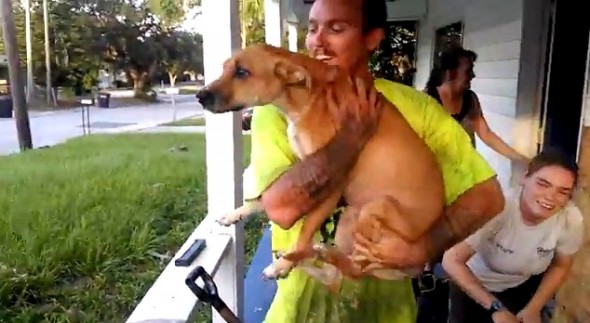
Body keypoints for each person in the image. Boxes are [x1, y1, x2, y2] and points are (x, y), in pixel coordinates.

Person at [245, 0, 506, 321]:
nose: (318, 41)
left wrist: (424, 247)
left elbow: (487, 198)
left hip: (388, 311)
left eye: (337, 28)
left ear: (372, 38)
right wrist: (350, 138)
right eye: (312, 29)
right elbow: (282, 210)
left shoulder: (417, 109)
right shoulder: (279, 107)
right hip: (301, 310)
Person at [442, 150, 584, 323]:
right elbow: (451, 261)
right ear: (525, 178)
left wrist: (533, 308)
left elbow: (560, 266)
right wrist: (496, 308)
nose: (550, 197)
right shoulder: (498, 207)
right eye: (543, 184)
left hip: (521, 286)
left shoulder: (570, 218)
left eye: (563, 191)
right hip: (472, 284)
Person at [424, 45, 530, 163]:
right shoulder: (426, 101)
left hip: (465, 173)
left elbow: (487, 135)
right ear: (450, 73)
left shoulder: (470, 100)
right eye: (468, 71)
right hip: (434, 173)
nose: (473, 75)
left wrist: (521, 159)